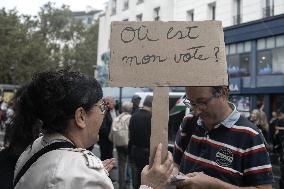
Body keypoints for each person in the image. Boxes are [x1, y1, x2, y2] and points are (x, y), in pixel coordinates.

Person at [13, 70, 174, 189]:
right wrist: (152, 186)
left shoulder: (32, 149)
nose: (104, 113)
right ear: (81, 116)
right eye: (102, 105)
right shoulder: (82, 175)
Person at [173, 86, 273, 189]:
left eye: (202, 102)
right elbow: (175, 163)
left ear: (223, 93)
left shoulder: (250, 135)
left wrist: (214, 185)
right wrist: (172, 175)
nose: (196, 111)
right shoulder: (189, 121)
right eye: (192, 103)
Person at [129, 95, 153, 189]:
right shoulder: (151, 117)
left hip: (135, 150)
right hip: (146, 153)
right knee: (146, 179)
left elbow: (130, 135)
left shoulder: (134, 115)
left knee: (137, 177)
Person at [109, 101, 133, 189]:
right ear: (130, 109)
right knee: (130, 163)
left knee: (121, 165)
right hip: (127, 144)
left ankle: (121, 185)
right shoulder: (130, 118)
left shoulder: (117, 118)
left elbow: (111, 134)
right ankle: (129, 182)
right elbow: (132, 132)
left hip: (119, 144)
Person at [98, 96, 116, 161]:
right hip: (105, 138)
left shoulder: (107, 110)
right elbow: (103, 127)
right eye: (112, 102)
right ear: (107, 103)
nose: (114, 103)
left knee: (108, 153)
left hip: (107, 137)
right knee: (105, 154)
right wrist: (109, 135)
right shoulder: (103, 111)